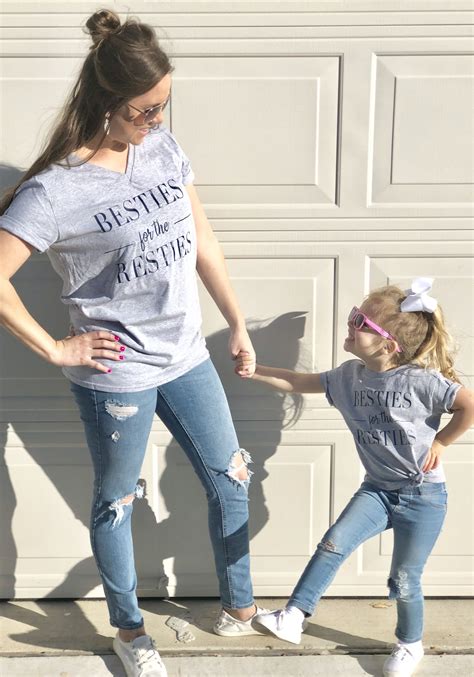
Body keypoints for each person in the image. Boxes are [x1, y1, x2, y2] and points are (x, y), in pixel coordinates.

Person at [0, 9, 268, 677]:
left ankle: (239, 607)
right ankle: (129, 628)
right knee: (117, 501)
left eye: (162, 108)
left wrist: (234, 318)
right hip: (116, 375)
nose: (155, 123)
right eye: (143, 111)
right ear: (105, 101)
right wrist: (56, 348)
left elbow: (201, 238)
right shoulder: (54, 189)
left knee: (230, 475)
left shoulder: (164, 149)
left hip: (185, 354)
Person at [235, 278, 474, 677]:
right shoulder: (349, 377)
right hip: (377, 491)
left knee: (404, 578)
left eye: (359, 322)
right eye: (353, 317)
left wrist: (444, 442)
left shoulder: (422, 381)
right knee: (333, 543)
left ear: (387, 343)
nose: (349, 324)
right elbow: (297, 382)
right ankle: (294, 615)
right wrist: (255, 370)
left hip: (423, 496)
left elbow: (469, 405)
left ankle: (409, 644)